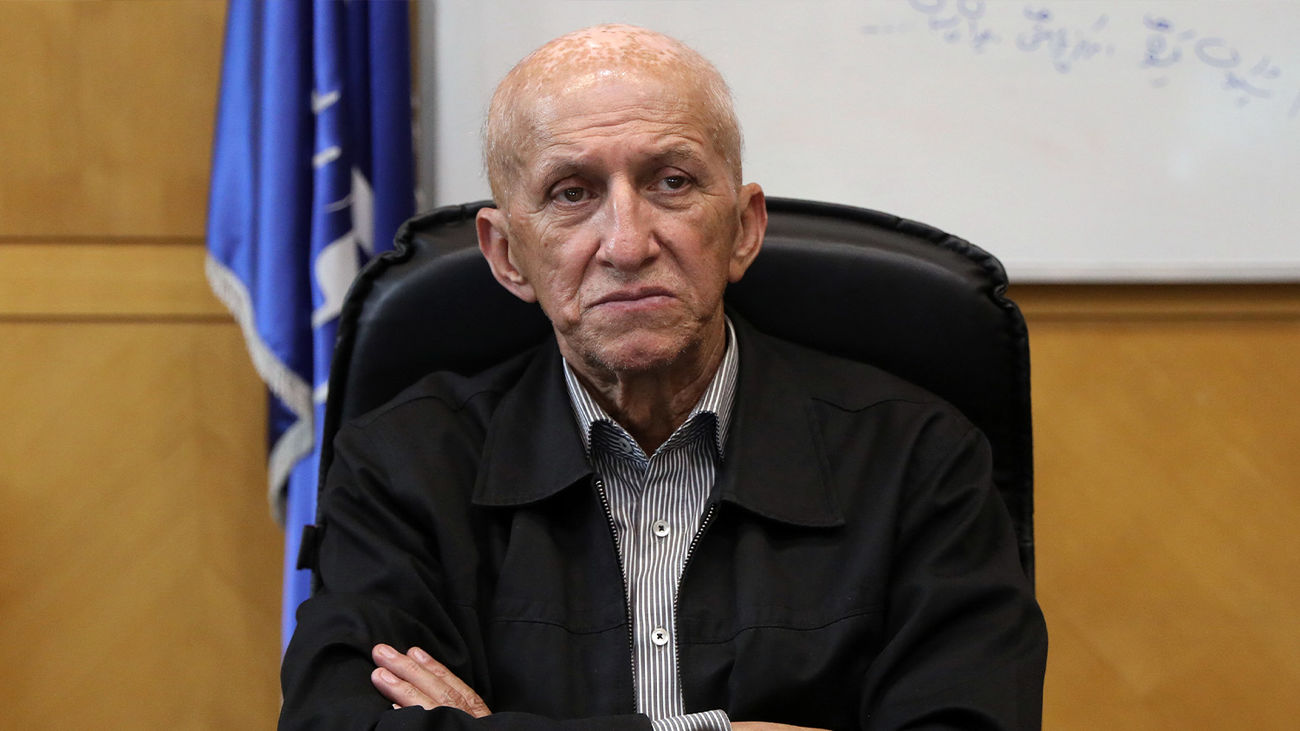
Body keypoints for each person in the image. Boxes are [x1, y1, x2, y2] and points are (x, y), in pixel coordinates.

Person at [280, 24, 1047, 731]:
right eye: (571, 193)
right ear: (508, 254)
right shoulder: (403, 467)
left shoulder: (919, 461)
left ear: (743, 228)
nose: (627, 242)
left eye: (672, 182)